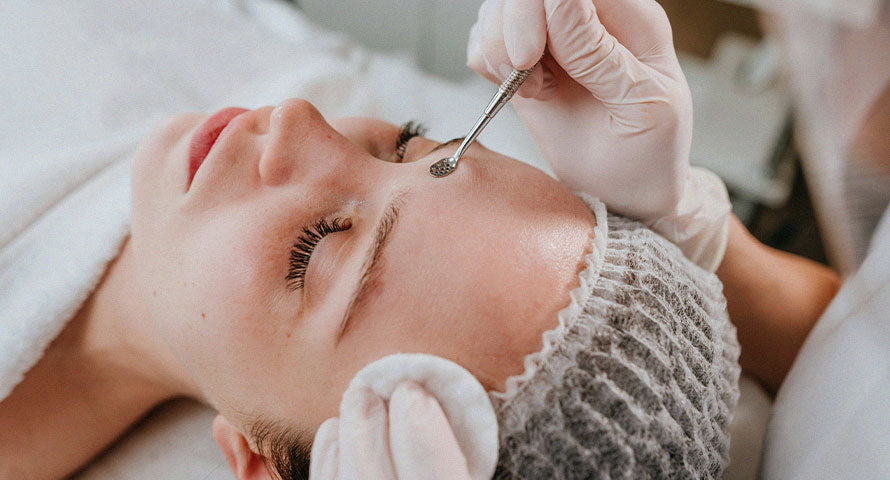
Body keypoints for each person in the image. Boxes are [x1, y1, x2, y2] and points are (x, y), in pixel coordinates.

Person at [0, 1, 839, 480]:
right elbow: (845, 341)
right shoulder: (319, 99)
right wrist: (675, 219)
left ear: (256, 462)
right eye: (406, 142)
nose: (299, 121)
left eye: (316, 247)